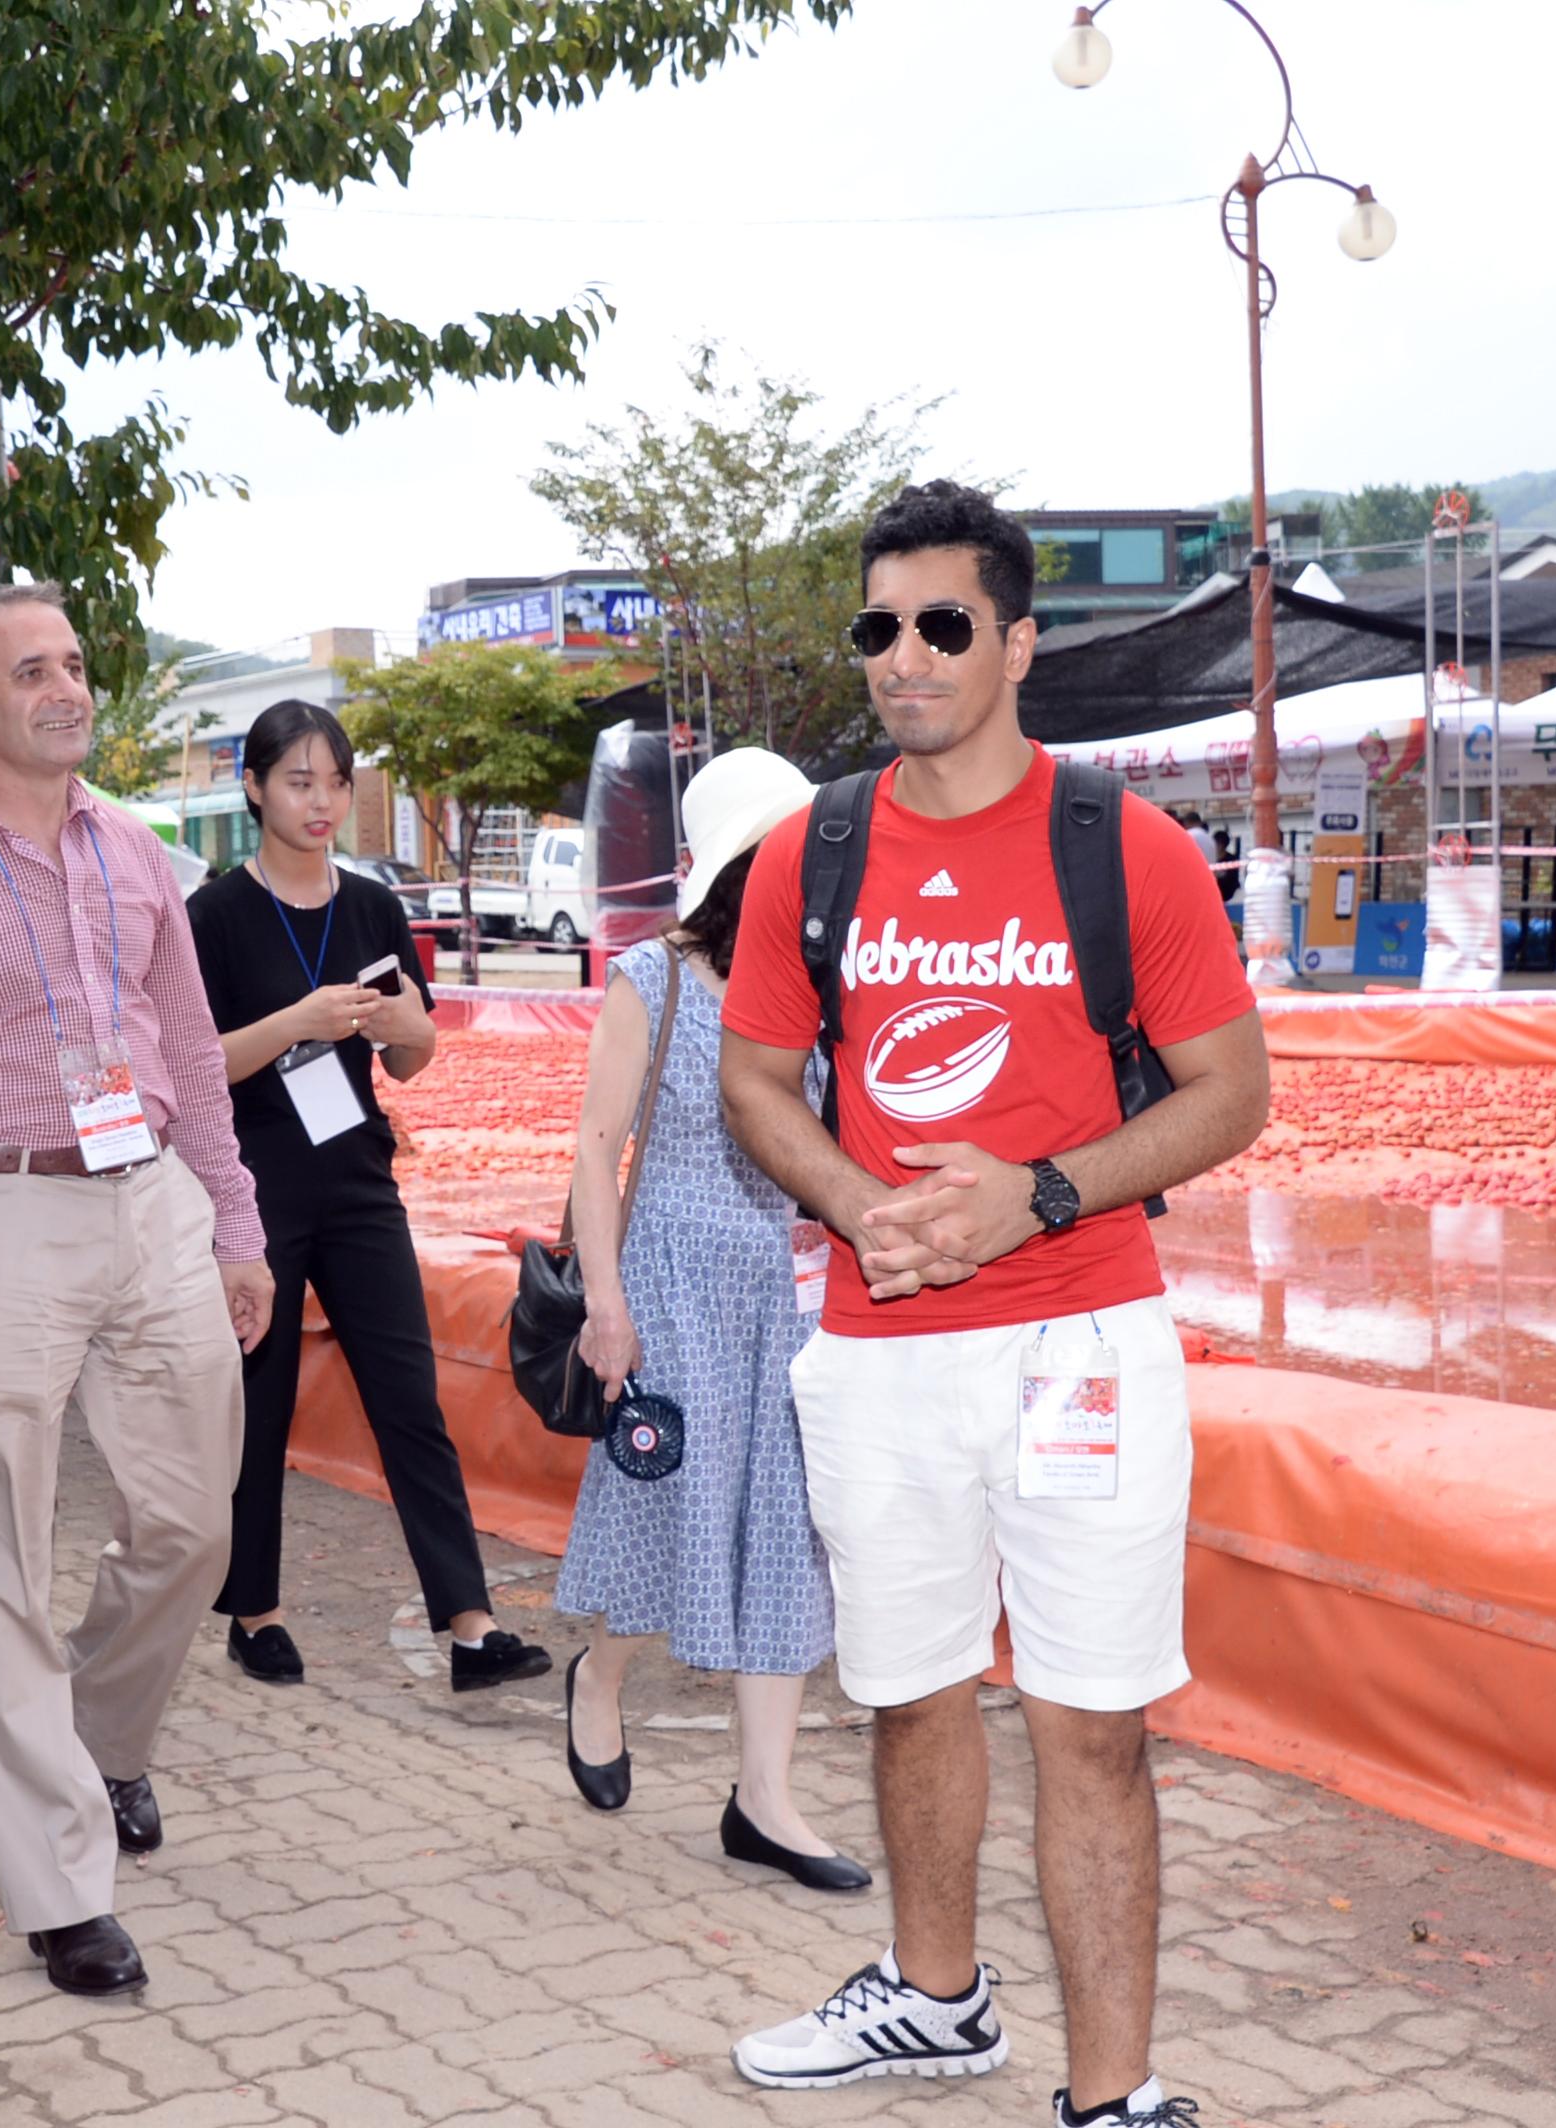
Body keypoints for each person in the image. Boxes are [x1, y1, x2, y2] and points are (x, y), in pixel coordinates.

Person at [715, 482, 1270, 2126]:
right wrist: (861, 1204)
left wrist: (1031, 1193)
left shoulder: (1128, 847)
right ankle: (936, 1998)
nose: (906, 655)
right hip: (881, 1349)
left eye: (943, 623)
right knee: (911, 1685)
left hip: (1078, 1339)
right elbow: (756, 1076)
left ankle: (1115, 2094)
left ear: (1017, 642)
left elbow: (1231, 1090)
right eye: (878, 627)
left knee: (1091, 1723)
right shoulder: (808, 854)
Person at [0, 580, 272, 2002]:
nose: (68, 689)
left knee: (194, 1525)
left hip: (151, 1200)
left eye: (77, 664)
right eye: (34, 670)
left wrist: (236, 1229)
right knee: (1, 1566)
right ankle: (60, 1882)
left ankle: (99, 1734)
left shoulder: (137, 852)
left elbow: (195, 1062)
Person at [552, 747, 867, 1891]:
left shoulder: (823, 993)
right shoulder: (657, 980)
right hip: (673, 1285)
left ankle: (764, 1800)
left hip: (789, 1300)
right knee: (668, 1506)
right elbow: (595, 1145)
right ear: (743, 865)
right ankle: (597, 1677)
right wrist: (604, 1299)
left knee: (783, 1526)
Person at [188, 699, 549, 1693]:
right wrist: (299, 1017)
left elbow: (416, 1054)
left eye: (336, 782)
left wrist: (398, 1024)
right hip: (252, 1189)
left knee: (408, 1395)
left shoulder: (370, 906)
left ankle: (470, 1627)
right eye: (298, 780)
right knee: (258, 1403)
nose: (321, 801)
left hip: (356, 1178)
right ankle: (251, 1610)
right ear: (253, 786)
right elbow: (193, 1067)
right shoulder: (213, 917)